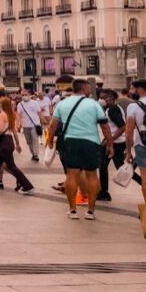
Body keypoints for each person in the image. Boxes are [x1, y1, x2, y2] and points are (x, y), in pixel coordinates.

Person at [46, 78, 112, 220]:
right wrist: (110, 144)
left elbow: (52, 125)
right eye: (88, 88)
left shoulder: (62, 104)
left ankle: (72, 210)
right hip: (91, 142)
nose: (90, 90)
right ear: (83, 88)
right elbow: (105, 126)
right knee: (92, 175)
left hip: (71, 142)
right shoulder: (94, 104)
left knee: (72, 175)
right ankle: (90, 211)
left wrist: (50, 140)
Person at [0, 96, 34, 194]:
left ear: (1, 104)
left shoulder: (2, 115)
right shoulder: (11, 115)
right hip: (9, 141)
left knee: (9, 166)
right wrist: (17, 144)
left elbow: (1, 129)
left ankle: (26, 185)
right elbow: (14, 131)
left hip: (3, 142)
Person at [124, 79, 146, 207]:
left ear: (139, 89)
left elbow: (129, 131)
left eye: (132, 88)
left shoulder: (133, 106)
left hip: (142, 145)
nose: (130, 92)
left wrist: (129, 152)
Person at [99, 89, 127, 201]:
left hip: (115, 143)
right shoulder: (112, 108)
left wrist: (109, 140)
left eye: (105, 97)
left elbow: (122, 127)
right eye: (101, 97)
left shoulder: (113, 110)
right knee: (110, 166)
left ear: (112, 98)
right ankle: (103, 191)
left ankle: (104, 192)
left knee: (106, 166)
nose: (103, 100)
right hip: (116, 142)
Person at [16, 91, 47, 161]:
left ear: (29, 95)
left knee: (35, 139)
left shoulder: (35, 103)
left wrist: (44, 121)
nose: (24, 96)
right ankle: (33, 154)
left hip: (35, 125)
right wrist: (18, 124)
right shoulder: (20, 104)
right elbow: (18, 115)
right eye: (23, 95)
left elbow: (39, 113)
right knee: (28, 141)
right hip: (25, 125)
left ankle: (36, 154)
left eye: (26, 94)